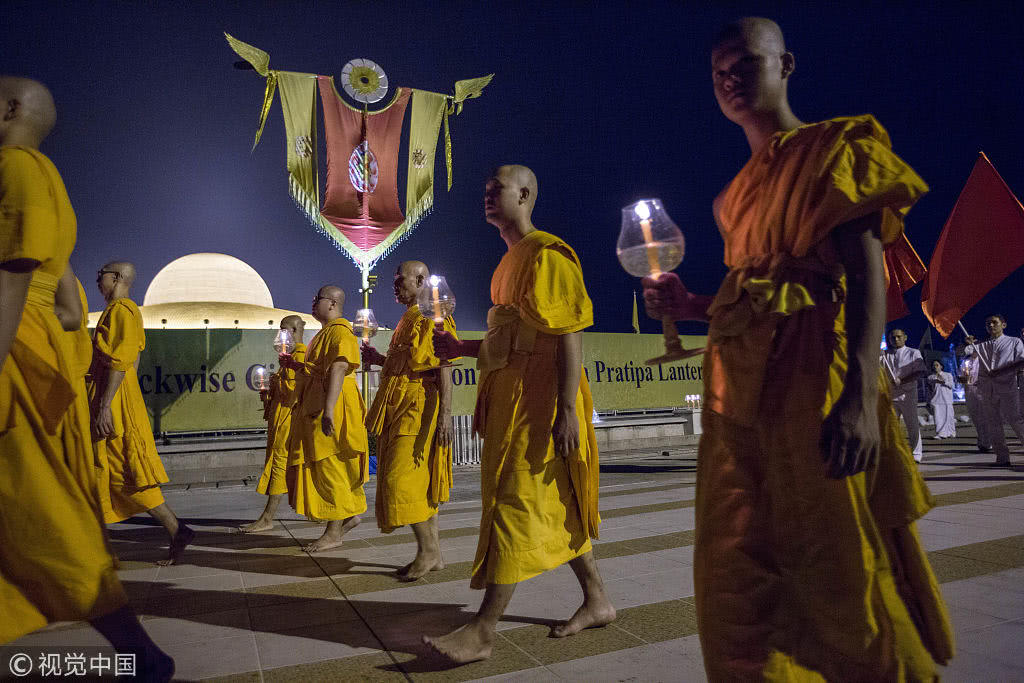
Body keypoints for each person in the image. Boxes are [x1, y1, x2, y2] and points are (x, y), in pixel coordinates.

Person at [642, 19, 953, 679]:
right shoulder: (733, 198)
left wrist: (859, 398)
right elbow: (752, 295)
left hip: (815, 379)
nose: (730, 79)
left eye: (744, 64)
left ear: (785, 64)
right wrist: (690, 305)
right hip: (738, 401)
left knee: (837, 564)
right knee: (736, 568)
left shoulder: (835, 148)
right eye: (718, 71)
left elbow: (864, 275)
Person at [0, 75, 173, 679]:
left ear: (10, 108)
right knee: (39, 507)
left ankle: (140, 652)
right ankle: (139, 650)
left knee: (38, 509)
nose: (101, 279)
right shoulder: (50, 184)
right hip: (44, 360)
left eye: (107, 273)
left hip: (19, 358)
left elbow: (14, 276)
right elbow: (70, 311)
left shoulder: (14, 169)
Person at [423, 165, 613, 664]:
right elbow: (511, 340)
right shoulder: (510, 262)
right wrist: (461, 346)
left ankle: (484, 628)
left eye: (497, 189)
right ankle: (598, 599)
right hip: (514, 399)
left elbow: (568, 333)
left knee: (514, 503)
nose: (486, 196)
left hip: (542, 402)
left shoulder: (547, 255)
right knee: (550, 501)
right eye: (484, 189)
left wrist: (567, 410)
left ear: (525, 194)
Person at [90, 260, 194, 565]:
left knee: (123, 469)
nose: (98, 280)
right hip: (118, 396)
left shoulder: (123, 310)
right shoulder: (120, 312)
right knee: (116, 469)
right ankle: (177, 530)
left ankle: (175, 529)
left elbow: (122, 361)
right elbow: (132, 362)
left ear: (119, 277)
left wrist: (106, 404)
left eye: (102, 274)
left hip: (115, 401)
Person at [362, 261, 455, 580]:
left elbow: (443, 367)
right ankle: (435, 554)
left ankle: (426, 551)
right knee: (416, 483)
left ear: (421, 281)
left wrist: (445, 415)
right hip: (400, 404)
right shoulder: (409, 318)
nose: (395, 285)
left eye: (400, 280)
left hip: (418, 407)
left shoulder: (432, 315)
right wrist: (377, 359)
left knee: (400, 479)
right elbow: (408, 363)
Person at [282, 285, 367, 552]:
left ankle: (333, 532)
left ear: (331, 303)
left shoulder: (341, 332)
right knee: (335, 466)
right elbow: (318, 369)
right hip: (320, 403)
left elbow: (340, 368)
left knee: (331, 466)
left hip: (333, 405)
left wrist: (329, 410)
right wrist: (298, 366)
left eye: (316, 298)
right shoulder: (323, 335)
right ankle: (350, 514)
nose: (312, 302)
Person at [239, 315, 307, 533]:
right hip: (281, 421)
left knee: (279, 467)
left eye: (284, 330)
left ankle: (267, 517)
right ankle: (321, 513)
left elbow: (294, 395)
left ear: (296, 330)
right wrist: (268, 394)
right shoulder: (289, 359)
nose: (281, 336)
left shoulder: (300, 358)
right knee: (297, 468)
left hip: (288, 424)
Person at [971, 314, 1024, 466]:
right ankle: (1002, 457)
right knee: (993, 423)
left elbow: (1021, 361)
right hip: (988, 389)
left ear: (1004, 325)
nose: (991, 326)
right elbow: (964, 352)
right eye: (988, 324)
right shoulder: (981, 345)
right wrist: (969, 343)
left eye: (995, 322)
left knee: (1015, 420)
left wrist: (1001, 371)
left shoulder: (1014, 341)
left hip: (1007, 386)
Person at [881, 328, 926, 461]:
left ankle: (916, 453)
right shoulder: (885, 354)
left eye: (898, 337)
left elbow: (920, 371)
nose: (895, 339)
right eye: (892, 338)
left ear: (905, 337)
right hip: (891, 394)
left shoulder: (913, 352)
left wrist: (903, 380)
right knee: (891, 425)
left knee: (911, 424)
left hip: (908, 394)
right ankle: (893, 451)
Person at [958, 344, 991, 452]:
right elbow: (961, 376)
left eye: (973, 352)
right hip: (969, 390)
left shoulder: (983, 361)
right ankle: (981, 439)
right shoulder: (965, 362)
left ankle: (988, 441)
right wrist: (963, 379)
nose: (972, 355)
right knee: (975, 416)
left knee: (984, 416)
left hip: (981, 390)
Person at [927, 360, 956, 438]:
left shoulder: (948, 375)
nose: (935, 366)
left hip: (947, 400)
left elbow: (952, 386)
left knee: (949, 417)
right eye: (934, 365)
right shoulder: (930, 377)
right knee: (938, 418)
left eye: (937, 365)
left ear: (941, 366)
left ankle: (951, 432)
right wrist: (928, 401)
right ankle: (941, 433)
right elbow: (930, 390)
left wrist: (943, 381)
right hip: (936, 400)